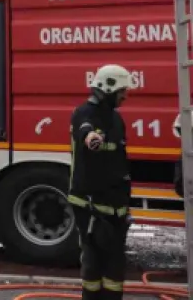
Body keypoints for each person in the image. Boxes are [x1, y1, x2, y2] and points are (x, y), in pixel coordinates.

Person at [69, 64, 133, 300]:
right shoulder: (83, 113)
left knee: (115, 269)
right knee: (94, 265)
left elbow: (120, 163)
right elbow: (85, 129)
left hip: (115, 205)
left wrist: (126, 205)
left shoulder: (116, 119)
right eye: (122, 90)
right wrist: (90, 137)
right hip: (91, 206)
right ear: (108, 87)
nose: (125, 95)